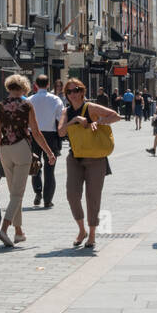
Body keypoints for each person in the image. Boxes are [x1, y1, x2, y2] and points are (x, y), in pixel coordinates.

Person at [0, 74, 55, 247]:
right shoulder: (27, 106)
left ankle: (18, 232)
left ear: (8, 87)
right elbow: (36, 132)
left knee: (14, 193)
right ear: (24, 88)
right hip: (22, 148)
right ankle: (4, 228)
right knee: (17, 194)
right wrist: (49, 152)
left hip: (5, 150)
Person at [59, 81, 122, 248]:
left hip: (96, 158)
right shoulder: (66, 112)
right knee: (72, 195)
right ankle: (82, 230)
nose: (73, 94)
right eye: (69, 91)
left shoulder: (90, 107)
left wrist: (98, 122)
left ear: (82, 91)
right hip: (75, 158)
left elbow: (116, 116)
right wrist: (74, 120)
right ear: (66, 94)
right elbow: (61, 132)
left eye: (76, 90)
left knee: (93, 196)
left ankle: (92, 233)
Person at [28, 73, 64, 207]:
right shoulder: (55, 99)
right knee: (50, 168)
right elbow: (60, 117)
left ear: (36, 85)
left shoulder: (30, 100)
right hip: (50, 135)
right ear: (48, 85)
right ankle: (48, 199)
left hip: (34, 134)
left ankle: (38, 192)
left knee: (35, 165)